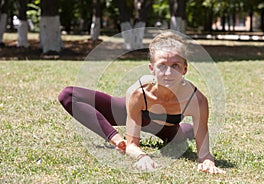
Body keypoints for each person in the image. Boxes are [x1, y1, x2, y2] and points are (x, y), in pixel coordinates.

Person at [58, 31, 225, 174]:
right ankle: (116, 140)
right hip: (130, 112)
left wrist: (207, 161)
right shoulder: (138, 93)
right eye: (162, 66)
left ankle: (187, 131)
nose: (168, 73)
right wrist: (140, 155)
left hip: (167, 127)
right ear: (151, 69)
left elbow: (204, 154)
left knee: (180, 137)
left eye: (175, 65)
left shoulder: (197, 100)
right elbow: (133, 145)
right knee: (68, 94)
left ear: (185, 69)